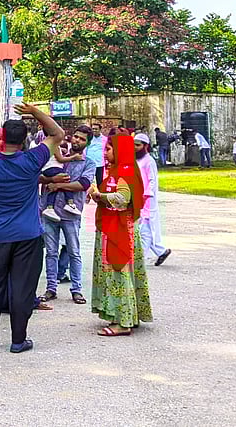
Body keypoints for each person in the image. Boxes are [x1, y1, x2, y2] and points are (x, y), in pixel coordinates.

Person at [0, 105, 64, 353]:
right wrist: (34, 112)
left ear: (1, 138)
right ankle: (18, 340)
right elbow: (57, 134)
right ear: (24, 140)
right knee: (23, 287)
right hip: (29, 235)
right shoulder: (33, 159)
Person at [89, 133, 154, 337]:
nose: (105, 152)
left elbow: (122, 199)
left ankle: (123, 322)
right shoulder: (120, 170)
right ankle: (126, 315)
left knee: (119, 271)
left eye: (109, 149)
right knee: (119, 272)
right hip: (115, 226)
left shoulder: (124, 172)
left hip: (119, 230)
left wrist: (100, 195)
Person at [40, 126, 94, 303]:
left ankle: (76, 289)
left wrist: (58, 186)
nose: (77, 141)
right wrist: (51, 181)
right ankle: (51, 288)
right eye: (76, 137)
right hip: (49, 211)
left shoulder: (88, 163)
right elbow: (40, 176)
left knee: (74, 252)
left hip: (71, 213)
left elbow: (83, 184)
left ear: (87, 143)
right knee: (51, 252)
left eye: (82, 139)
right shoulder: (59, 155)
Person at [134, 133, 172, 266]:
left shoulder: (149, 161)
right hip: (137, 198)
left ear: (145, 146)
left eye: (138, 145)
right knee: (143, 229)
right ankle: (161, 252)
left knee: (145, 230)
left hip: (147, 200)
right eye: (134, 145)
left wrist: (146, 195)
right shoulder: (136, 160)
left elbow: (152, 180)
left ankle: (139, 259)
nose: (135, 148)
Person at [39, 140, 84, 223]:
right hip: (54, 168)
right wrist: (73, 157)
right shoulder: (54, 145)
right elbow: (61, 159)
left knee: (55, 187)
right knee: (65, 180)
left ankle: (49, 207)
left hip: (46, 169)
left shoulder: (43, 146)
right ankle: (70, 202)